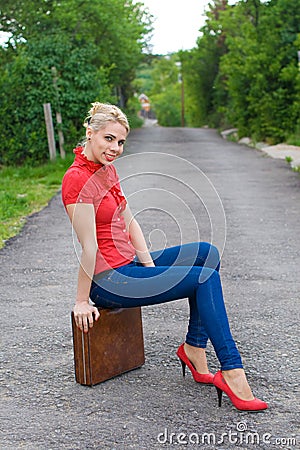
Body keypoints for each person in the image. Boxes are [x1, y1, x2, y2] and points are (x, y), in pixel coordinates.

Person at [61, 102, 268, 412]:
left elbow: (130, 222)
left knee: (205, 254)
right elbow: (88, 247)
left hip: (129, 266)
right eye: (108, 139)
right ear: (90, 134)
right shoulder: (76, 180)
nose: (115, 148)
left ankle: (194, 348)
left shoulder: (108, 171)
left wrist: (151, 268)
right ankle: (232, 370)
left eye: (120, 142)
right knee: (204, 277)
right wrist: (81, 301)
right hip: (108, 280)